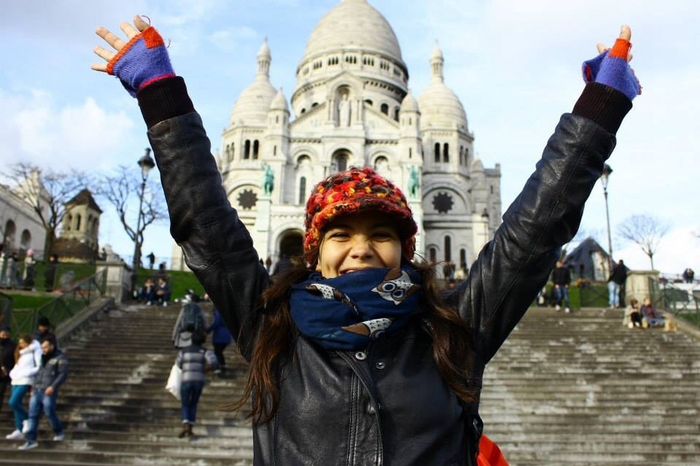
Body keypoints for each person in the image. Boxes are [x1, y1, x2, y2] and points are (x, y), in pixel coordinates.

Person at [93, 17, 639, 465]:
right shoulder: (273, 332)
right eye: (339, 234)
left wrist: (600, 105)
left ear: (406, 247)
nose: (361, 248)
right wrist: (159, 92)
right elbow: (205, 224)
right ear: (314, 252)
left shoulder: (450, 333)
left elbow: (534, 234)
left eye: (382, 233)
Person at [19, 338, 68, 450]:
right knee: (32, 415)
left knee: (49, 412)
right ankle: (31, 440)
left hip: (49, 390)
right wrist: (33, 387)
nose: (43, 350)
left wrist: (53, 386)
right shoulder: (42, 358)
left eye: (45, 347)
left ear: (52, 346)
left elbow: (62, 374)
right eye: (42, 347)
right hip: (37, 390)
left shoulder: (60, 358)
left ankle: (59, 431)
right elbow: (38, 373)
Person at [5, 335, 41, 441]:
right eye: (20, 342)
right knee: (17, 404)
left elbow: (38, 366)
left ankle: (26, 420)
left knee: (13, 402)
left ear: (28, 343)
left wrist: (26, 373)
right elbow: (17, 366)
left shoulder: (35, 351)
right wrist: (13, 373)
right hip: (16, 380)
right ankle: (19, 429)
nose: (21, 344)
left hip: (25, 380)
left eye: (23, 342)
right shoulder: (20, 353)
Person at [0, 326, 16, 413]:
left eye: (6, 334)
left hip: (6, 373)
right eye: (2, 334)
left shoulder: (13, 345)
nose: (4, 336)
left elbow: (15, 359)